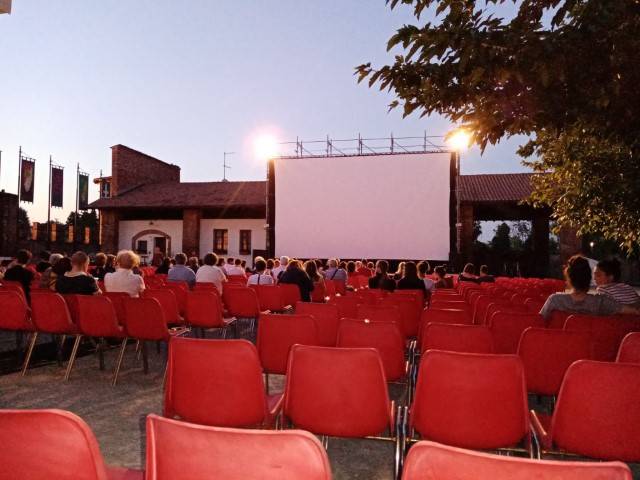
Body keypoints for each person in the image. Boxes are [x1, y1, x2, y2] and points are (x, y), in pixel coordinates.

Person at [540, 255, 639, 320]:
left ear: (569, 278)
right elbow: (634, 311)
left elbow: (539, 321)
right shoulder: (601, 301)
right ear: (589, 278)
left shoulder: (555, 301)